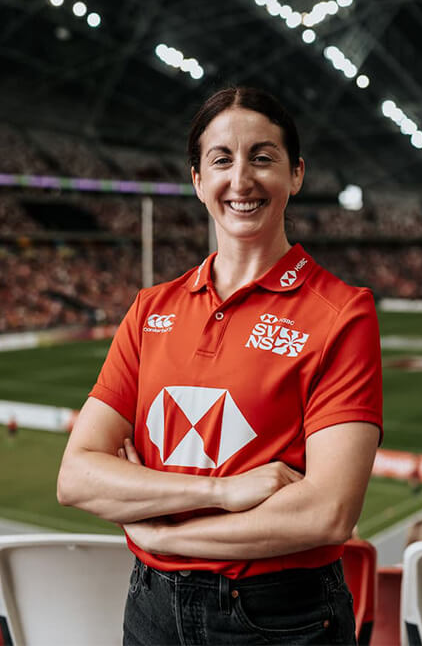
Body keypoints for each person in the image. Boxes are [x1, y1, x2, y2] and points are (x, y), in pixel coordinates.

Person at [57, 86, 383, 645]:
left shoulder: (343, 314)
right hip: (151, 607)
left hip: (282, 617)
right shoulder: (150, 309)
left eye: (262, 157)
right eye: (222, 160)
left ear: (296, 174)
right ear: (198, 180)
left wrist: (163, 536)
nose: (241, 180)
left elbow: (327, 512)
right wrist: (223, 492)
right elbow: (76, 477)